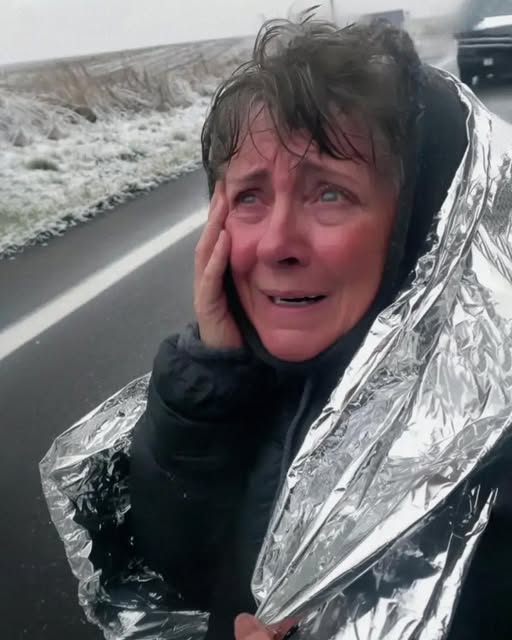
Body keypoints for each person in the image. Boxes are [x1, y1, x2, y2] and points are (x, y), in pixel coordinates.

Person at [41, 13, 512, 640]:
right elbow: (181, 567)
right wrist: (207, 383)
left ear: (427, 225)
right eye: (249, 197)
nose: (276, 244)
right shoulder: (238, 385)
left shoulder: (491, 459)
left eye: (329, 193)